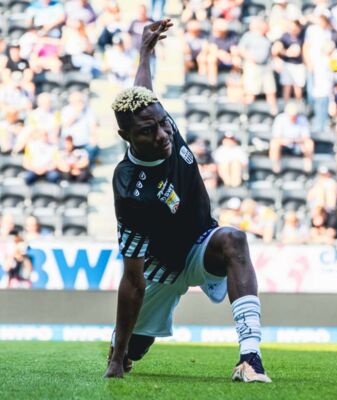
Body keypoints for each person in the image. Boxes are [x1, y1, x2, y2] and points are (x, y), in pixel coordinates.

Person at [105, 19, 271, 383]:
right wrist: (117, 359)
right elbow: (132, 278)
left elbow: (144, 94)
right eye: (147, 131)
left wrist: (145, 53)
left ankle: (251, 358)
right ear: (126, 136)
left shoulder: (159, 121)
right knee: (133, 350)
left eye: (162, 123)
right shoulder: (131, 190)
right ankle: (122, 345)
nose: (163, 135)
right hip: (160, 267)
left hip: (200, 242)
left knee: (234, 239)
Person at [269, 102, 314, 172]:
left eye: (294, 115)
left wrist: (296, 141)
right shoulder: (280, 119)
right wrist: (285, 141)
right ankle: (275, 165)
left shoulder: (302, 119)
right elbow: (276, 136)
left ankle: (308, 165)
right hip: (283, 145)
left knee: (309, 143)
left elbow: (306, 137)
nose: (293, 117)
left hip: (298, 144)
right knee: (274, 143)